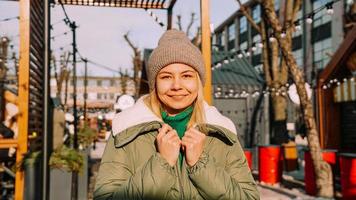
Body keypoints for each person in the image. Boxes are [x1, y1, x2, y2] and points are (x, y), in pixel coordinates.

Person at [94, 29, 259, 200]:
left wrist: (200, 164)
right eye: (166, 77)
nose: (177, 86)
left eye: (186, 75)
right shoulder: (126, 130)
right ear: (154, 84)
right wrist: (161, 164)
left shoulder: (222, 131)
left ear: (198, 81)